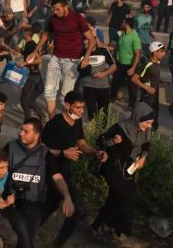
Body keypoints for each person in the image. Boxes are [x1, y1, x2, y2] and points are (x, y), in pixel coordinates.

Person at [40, 91, 107, 246]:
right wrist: (63, 153)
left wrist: (95, 153)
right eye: (77, 107)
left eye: (82, 108)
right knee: (76, 210)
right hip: (52, 171)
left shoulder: (76, 122)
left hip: (65, 171)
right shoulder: (55, 124)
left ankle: (32, 230)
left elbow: (81, 144)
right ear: (67, 105)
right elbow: (41, 149)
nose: (81, 111)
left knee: (51, 204)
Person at [91, 102, 155, 240]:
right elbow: (100, 141)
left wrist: (143, 157)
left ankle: (98, 227)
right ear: (138, 117)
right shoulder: (121, 128)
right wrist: (113, 141)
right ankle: (117, 227)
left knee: (114, 198)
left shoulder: (146, 131)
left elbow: (146, 145)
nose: (148, 126)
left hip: (128, 170)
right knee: (126, 197)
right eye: (147, 122)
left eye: (151, 123)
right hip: (112, 167)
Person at [27, 0, 97, 118]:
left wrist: (86, 57)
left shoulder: (78, 19)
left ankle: (67, 123)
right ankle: (52, 122)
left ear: (65, 7)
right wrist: (35, 51)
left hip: (72, 61)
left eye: (57, 9)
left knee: (66, 96)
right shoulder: (53, 19)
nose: (55, 12)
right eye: (54, 9)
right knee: (49, 92)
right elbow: (45, 35)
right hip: (56, 59)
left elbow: (91, 40)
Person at [1, 117, 51, 248]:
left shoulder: (46, 153)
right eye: (21, 130)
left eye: (26, 131)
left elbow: (55, 177)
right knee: (27, 242)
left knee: (26, 240)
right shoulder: (10, 147)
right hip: (13, 204)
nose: (21, 133)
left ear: (37, 134)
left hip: (35, 205)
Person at [132, 41, 166, 128]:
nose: (164, 54)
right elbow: (134, 79)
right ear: (155, 52)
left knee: (154, 124)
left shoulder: (157, 63)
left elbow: (151, 77)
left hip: (155, 99)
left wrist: (161, 81)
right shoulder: (146, 64)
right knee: (146, 123)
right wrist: (146, 88)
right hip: (147, 100)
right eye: (161, 51)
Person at [79, 40, 117, 119]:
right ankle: (93, 130)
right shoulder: (82, 52)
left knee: (103, 113)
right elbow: (79, 69)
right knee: (91, 111)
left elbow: (114, 67)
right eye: (84, 44)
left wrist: (103, 74)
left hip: (103, 86)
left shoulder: (103, 51)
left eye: (87, 44)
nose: (86, 46)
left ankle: (103, 131)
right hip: (88, 86)